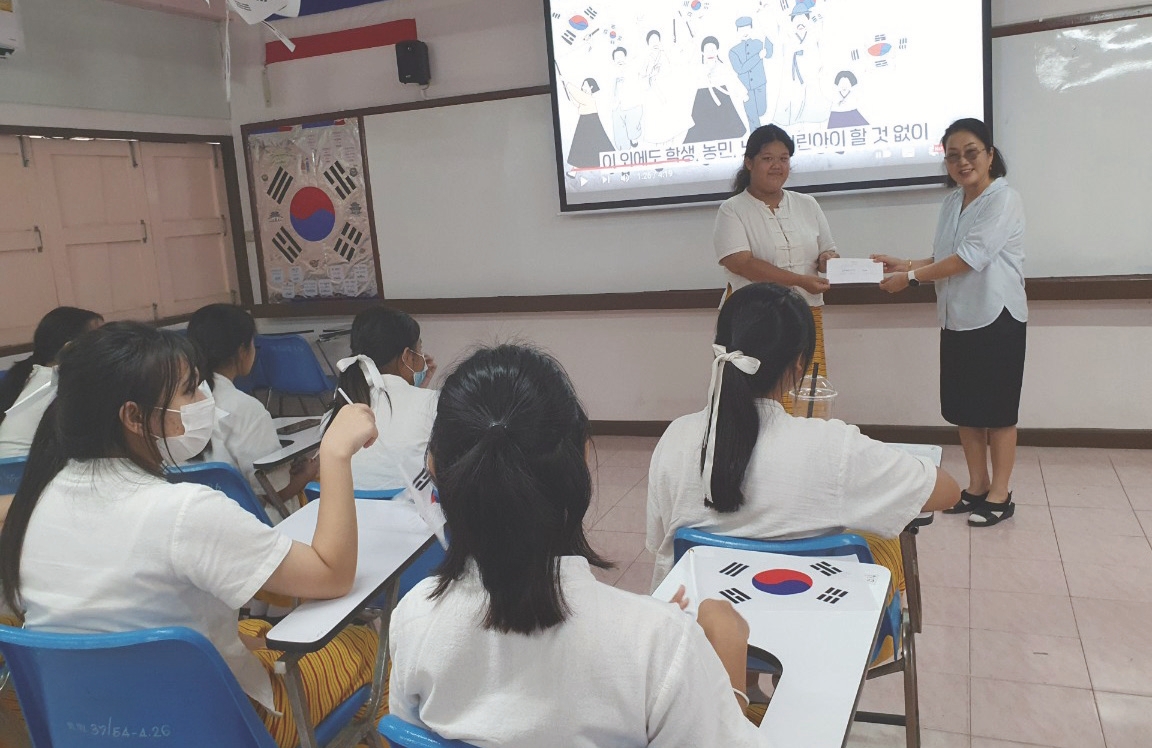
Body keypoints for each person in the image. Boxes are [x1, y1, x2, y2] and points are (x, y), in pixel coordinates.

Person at [0, 322, 382, 747]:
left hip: (85, 726)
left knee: (251, 634)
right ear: (132, 416)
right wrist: (334, 454)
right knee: (373, 646)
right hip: (217, 728)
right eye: (189, 390)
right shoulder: (184, 512)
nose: (206, 402)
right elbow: (332, 574)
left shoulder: (35, 501)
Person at [388, 345, 769, 746]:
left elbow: (410, 735)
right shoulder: (661, 648)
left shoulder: (413, 619)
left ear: (432, 469)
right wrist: (724, 670)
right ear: (582, 458)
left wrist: (644, 628)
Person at [647, 283, 960, 592]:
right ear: (799, 363)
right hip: (808, 626)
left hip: (695, 626)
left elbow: (658, 542)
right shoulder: (834, 448)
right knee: (883, 541)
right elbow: (947, 492)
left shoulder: (675, 436)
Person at [875, 117, 1026, 527]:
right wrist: (903, 262)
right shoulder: (951, 202)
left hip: (997, 317)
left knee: (998, 412)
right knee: (966, 409)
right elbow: (942, 255)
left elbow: (968, 259)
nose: (962, 162)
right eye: (953, 156)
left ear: (990, 155)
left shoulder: (1002, 200)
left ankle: (1001, 494)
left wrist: (907, 278)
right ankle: (976, 486)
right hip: (957, 318)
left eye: (971, 152)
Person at [714, 124, 838, 406]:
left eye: (783, 159)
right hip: (753, 319)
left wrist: (828, 260)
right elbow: (741, 262)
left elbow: (827, 250)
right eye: (767, 158)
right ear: (749, 162)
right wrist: (799, 280)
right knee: (757, 398)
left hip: (805, 313)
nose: (777, 166)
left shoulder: (808, 204)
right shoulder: (732, 209)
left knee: (807, 395)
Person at [186, 303, 317, 508]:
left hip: (197, 513)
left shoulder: (176, 402)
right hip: (251, 520)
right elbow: (274, 494)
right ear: (242, 351)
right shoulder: (246, 409)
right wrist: (309, 473)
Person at [329, 307, 438, 491]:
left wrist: (417, 389)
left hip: (350, 515)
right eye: (419, 349)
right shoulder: (433, 404)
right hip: (412, 515)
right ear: (406, 357)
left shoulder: (340, 406)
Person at [0, 307, 103, 458]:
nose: (107, 345)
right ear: (70, 348)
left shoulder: (35, 376)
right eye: (99, 339)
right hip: (24, 470)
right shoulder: (61, 382)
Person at [684, 36, 748, 144]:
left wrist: (743, 93)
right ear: (702, 52)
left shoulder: (723, 67)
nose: (710, 52)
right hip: (702, 99)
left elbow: (733, 80)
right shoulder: (699, 69)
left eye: (713, 50)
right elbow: (690, 85)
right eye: (707, 50)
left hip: (722, 100)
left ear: (717, 51)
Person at [728, 16, 774, 131]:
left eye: (747, 29)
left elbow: (768, 54)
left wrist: (768, 35)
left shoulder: (758, 43)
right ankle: (756, 142)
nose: (745, 33)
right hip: (745, 88)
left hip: (760, 85)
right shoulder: (733, 51)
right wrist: (758, 56)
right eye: (742, 30)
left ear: (752, 29)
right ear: (737, 31)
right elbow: (740, 69)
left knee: (761, 110)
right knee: (752, 117)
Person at [561, 77, 614, 169]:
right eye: (583, 85)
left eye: (585, 85)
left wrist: (567, 83)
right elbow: (577, 103)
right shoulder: (586, 98)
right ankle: (576, 168)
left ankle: (609, 165)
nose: (583, 87)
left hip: (590, 122)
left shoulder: (589, 99)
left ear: (591, 87)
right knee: (580, 146)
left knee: (593, 145)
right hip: (584, 121)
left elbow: (578, 95)